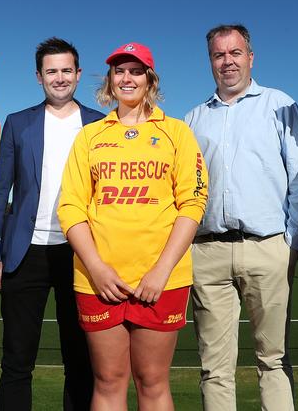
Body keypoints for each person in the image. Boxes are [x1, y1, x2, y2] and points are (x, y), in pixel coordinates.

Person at [57, 42, 208, 410]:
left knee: (152, 381)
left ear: (150, 80)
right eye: (119, 71)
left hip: (161, 280)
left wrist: (161, 270)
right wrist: (96, 267)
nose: (127, 78)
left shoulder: (176, 132)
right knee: (108, 381)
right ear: (110, 81)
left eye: (136, 71)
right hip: (99, 279)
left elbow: (193, 203)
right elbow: (71, 207)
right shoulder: (91, 136)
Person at [185, 24, 298, 411]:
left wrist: (291, 243)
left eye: (235, 53)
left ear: (250, 57)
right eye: (219, 55)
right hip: (207, 254)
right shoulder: (194, 119)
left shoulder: (280, 105)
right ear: (210, 60)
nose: (227, 61)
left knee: (272, 360)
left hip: (268, 247)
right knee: (214, 369)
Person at [0, 37, 101, 410]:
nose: (60, 78)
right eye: (52, 71)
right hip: (24, 253)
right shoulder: (18, 123)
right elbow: (1, 191)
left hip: (80, 253)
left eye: (67, 70)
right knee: (17, 362)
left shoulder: (100, 126)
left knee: (81, 360)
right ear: (39, 77)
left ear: (79, 74)